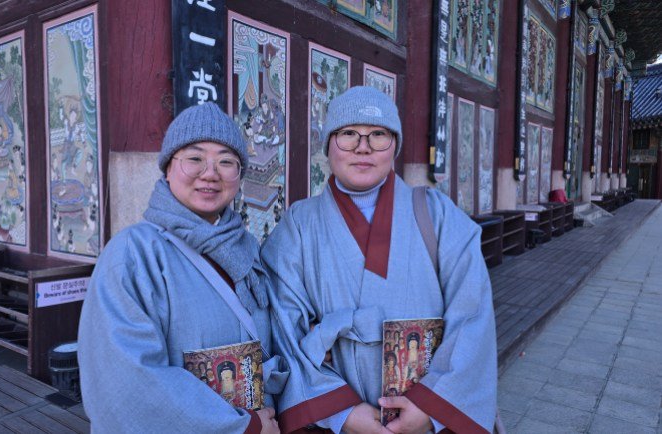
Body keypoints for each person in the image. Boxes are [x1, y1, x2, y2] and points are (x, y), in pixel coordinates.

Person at [262, 86, 497, 434]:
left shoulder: (437, 214)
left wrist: (430, 407)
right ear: (328, 145)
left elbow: (472, 313)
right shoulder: (298, 225)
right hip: (338, 419)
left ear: (394, 146)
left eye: (378, 135)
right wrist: (341, 412)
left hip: (426, 416)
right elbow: (283, 326)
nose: (363, 147)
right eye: (348, 134)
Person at [78, 102, 284, 434]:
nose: (211, 173)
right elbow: (128, 381)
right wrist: (239, 428)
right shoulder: (133, 255)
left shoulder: (246, 249)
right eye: (195, 158)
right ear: (168, 167)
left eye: (226, 161)